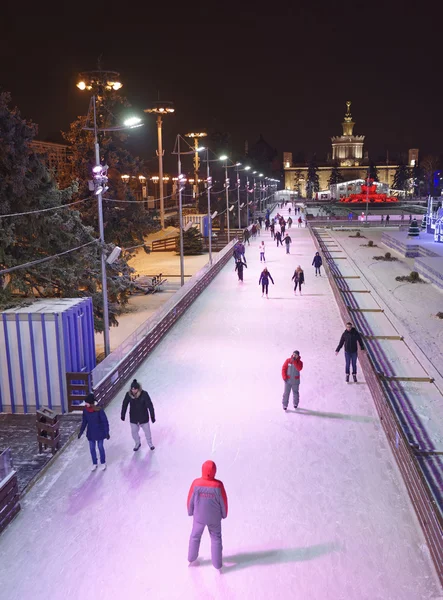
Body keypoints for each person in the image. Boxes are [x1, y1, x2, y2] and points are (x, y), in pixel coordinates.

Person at [187, 460, 228, 571]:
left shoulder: (196, 483)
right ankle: (217, 564)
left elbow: (190, 499)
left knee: (195, 536)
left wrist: (190, 511)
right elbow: (223, 501)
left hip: (199, 517)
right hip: (214, 518)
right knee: (216, 539)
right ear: (214, 471)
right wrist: (224, 514)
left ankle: (191, 557)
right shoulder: (218, 485)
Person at [121, 379, 156, 451]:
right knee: (134, 432)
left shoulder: (144, 394)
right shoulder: (128, 395)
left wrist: (152, 416)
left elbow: (150, 405)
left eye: (135, 389)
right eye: (132, 389)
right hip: (133, 418)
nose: (133, 391)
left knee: (147, 432)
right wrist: (123, 414)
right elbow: (124, 404)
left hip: (143, 417)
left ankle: (150, 443)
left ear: (138, 389)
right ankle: (137, 443)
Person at [78, 393, 110, 471]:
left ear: (91, 403)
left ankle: (103, 462)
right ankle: (94, 463)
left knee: (100, 447)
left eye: (87, 402)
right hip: (91, 432)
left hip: (100, 431)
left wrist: (107, 432)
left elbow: (104, 421)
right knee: (92, 448)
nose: (85, 404)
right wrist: (81, 432)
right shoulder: (85, 410)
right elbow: (84, 422)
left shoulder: (99, 409)